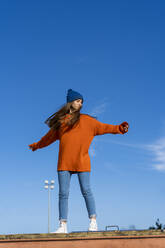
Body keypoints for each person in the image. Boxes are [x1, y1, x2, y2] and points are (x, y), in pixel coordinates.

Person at [28, 89, 129, 233]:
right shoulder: (62, 122)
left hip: (82, 161)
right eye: (77, 101)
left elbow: (105, 127)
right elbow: (48, 138)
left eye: (81, 102)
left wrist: (119, 128)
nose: (80, 104)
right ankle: (63, 225)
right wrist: (37, 145)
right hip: (64, 162)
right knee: (63, 193)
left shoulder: (88, 121)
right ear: (70, 103)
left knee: (86, 191)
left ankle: (93, 222)